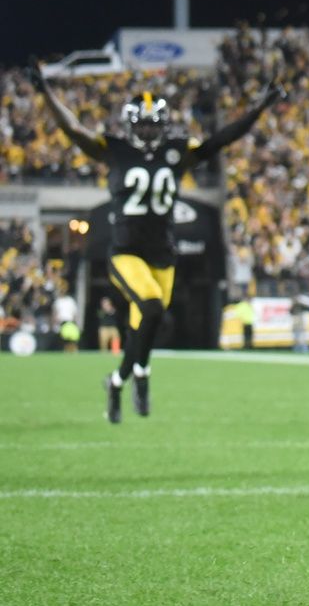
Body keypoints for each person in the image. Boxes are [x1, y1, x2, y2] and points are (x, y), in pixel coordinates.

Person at [33, 67, 282, 423]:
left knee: (143, 328)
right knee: (151, 308)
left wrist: (259, 109)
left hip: (162, 256)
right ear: (131, 124)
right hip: (125, 252)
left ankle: (118, 380)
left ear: (162, 124)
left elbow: (222, 139)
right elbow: (73, 128)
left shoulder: (178, 151)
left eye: (154, 123)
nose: (149, 130)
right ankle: (143, 376)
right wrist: (44, 89)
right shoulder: (113, 149)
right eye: (143, 123)